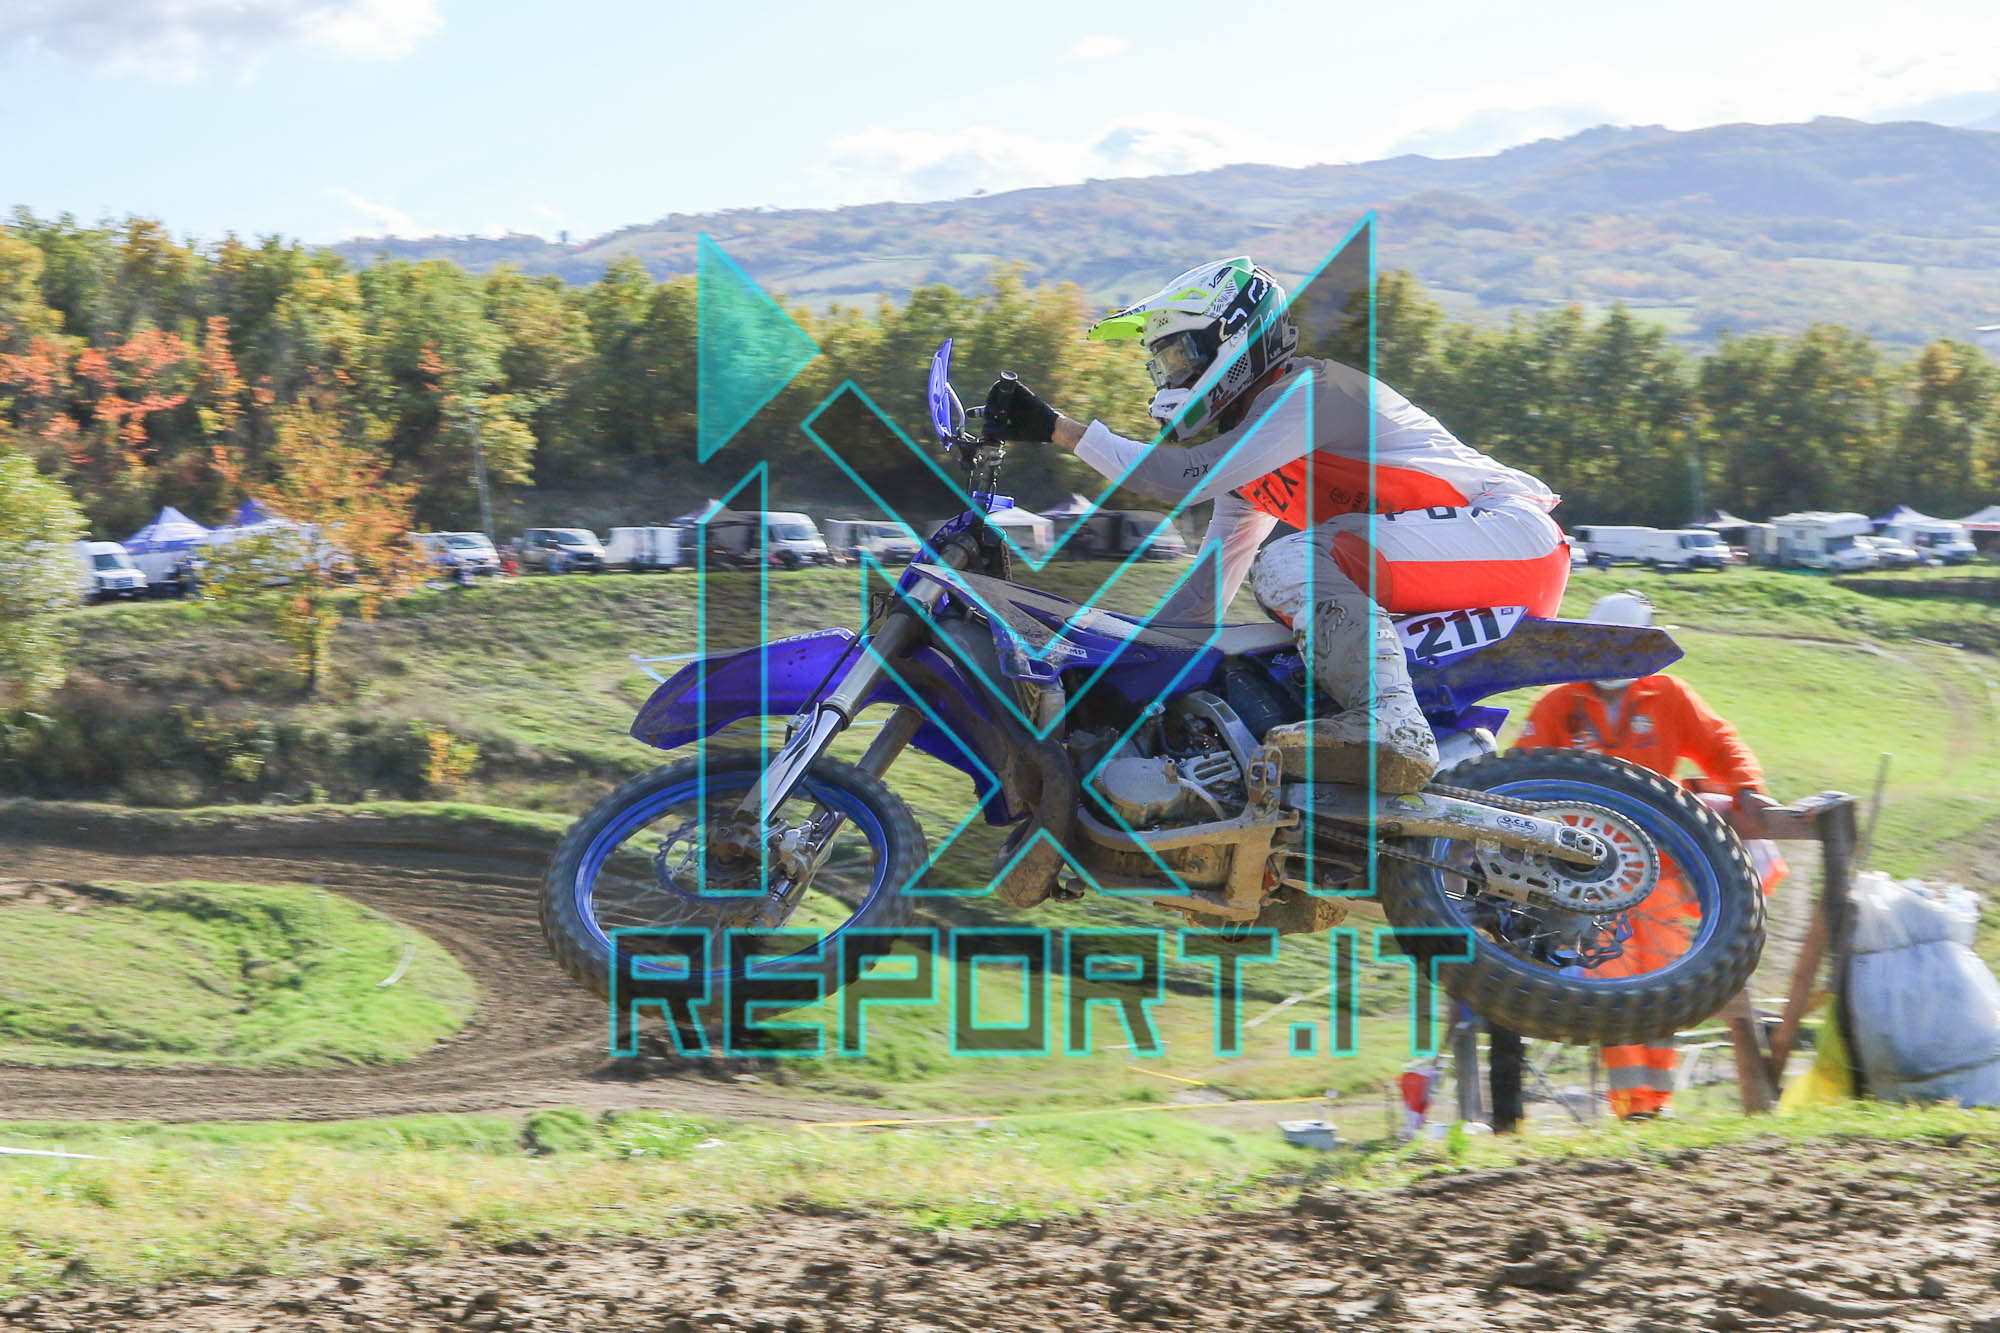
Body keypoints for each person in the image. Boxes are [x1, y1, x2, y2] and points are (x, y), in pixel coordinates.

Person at [980, 257, 1566, 793]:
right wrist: (1112, 667)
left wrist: (1058, 429)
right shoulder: (1255, 458)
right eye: (1161, 363)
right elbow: (1203, 598)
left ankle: (1389, 723)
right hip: (1449, 568)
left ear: (1232, 336)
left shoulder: (1309, 392)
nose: (1169, 375)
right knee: (1278, 660)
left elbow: (1182, 478)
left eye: (1179, 356)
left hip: (1510, 538)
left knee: (1291, 561)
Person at [1511, 589, 1787, 1120]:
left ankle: (1655, 1104)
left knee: (1665, 977)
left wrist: (1748, 788)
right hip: (1588, 869)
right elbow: (1521, 773)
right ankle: (1631, 1105)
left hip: (1659, 863)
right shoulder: (1559, 705)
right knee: (1612, 977)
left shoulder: (1667, 695)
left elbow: (1720, 742)